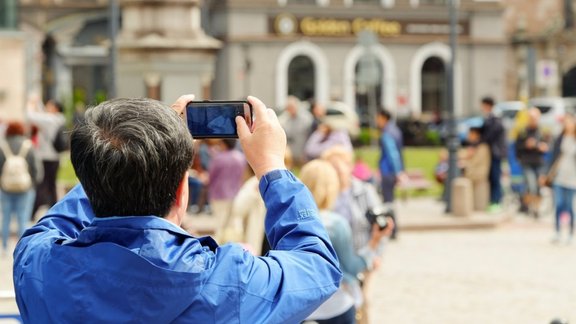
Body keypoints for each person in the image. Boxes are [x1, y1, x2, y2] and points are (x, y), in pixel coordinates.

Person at [13, 95, 342, 322]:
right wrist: (271, 167)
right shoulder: (228, 282)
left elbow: (49, 226)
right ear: (182, 192)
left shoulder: (39, 267)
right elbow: (317, 266)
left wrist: (123, 156)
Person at [301, 159, 385, 324]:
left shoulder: (287, 221)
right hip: (335, 304)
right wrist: (374, 242)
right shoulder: (335, 223)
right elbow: (352, 267)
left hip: (301, 307)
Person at [321, 146, 393, 324]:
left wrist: (376, 254)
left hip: (362, 255)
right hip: (334, 264)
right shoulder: (326, 193)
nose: (336, 172)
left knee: (363, 301)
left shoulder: (365, 191)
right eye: (331, 168)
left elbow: (379, 225)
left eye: (340, 166)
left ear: (349, 166)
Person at [0, 122, 43, 254]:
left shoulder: (2, 146)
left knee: (6, 218)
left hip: (5, 188)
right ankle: (21, 249)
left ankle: (4, 248)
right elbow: (36, 169)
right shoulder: (28, 146)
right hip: (25, 188)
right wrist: (33, 184)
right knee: (22, 218)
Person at [26, 98, 66, 219]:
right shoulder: (57, 119)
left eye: (50, 105)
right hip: (54, 157)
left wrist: (30, 104)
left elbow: (30, 116)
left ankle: (33, 211)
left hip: (47, 158)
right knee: (50, 185)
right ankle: (53, 210)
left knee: (42, 185)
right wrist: (38, 103)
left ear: (55, 108)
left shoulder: (50, 120)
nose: (47, 107)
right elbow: (43, 113)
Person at [545, 113, 576, 244]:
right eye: (566, 122)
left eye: (570, 122)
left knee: (569, 206)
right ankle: (557, 232)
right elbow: (553, 157)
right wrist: (546, 173)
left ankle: (570, 233)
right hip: (558, 175)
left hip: (572, 177)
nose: (568, 124)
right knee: (558, 204)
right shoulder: (559, 138)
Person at [207, 138, 246, 240]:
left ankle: (219, 247)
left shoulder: (218, 158)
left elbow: (211, 176)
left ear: (224, 144)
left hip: (219, 193)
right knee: (233, 224)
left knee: (220, 224)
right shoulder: (240, 157)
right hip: (236, 193)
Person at [376, 109, 404, 239]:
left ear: (384, 118)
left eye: (378, 118)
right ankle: (393, 230)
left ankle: (392, 230)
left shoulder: (387, 133)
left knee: (388, 202)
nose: (377, 121)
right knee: (390, 201)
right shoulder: (396, 131)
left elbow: (392, 154)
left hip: (388, 172)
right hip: (392, 172)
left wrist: (397, 171)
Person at [515, 108, 549, 216]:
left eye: (535, 118)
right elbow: (516, 148)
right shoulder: (523, 132)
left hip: (539, 163)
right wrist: (526, 145)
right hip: (527, 162)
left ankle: (535, 208)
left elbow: (548, 146)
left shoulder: (542, 131)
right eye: (531, 118)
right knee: (531, 185)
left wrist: (540, 146)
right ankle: (527, 205)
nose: (533, 120)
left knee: (539, 187)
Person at [480, 96, 507, 212]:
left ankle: (496, 201)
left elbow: (489, 136)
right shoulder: (491, 118)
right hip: (493, 152)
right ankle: (494, 200)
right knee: (492, 177)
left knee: (495, 177)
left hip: (495, 153)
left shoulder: (495, 119)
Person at [462, 127, 491, 211]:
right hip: (472, 174)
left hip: (478, 175)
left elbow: (476, 161)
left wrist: (467, 158)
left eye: (470, 134)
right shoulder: (472, 146)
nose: (468, 136)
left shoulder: (482, 147)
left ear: (476, 135)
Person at [279, 96, 313, 166]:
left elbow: (310, 135)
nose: (290, 109)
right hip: (289, 153)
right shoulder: (283, 119)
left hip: (303, 152)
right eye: (288, 107)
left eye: (292, 107)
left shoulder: (306, 118)